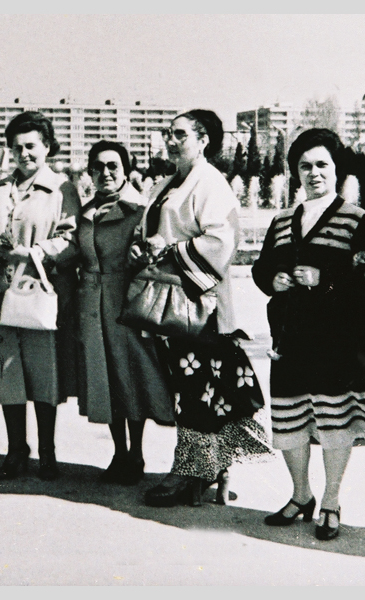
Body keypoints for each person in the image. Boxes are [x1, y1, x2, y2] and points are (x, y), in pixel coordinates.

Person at [252, 128, 365, 541]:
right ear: (295, 172)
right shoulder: (281, 220)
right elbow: (261, 267)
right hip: (289, 339)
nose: (314, 173)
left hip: (337, 341)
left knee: (333, 421)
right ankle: (300, 495)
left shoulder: (356, 219)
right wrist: (272, 280)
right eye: (305, 166)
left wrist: (324, 277)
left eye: (322, 165)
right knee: (290, 418)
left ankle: (330, 500)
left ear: (336, 169)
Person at [135, 110, 273, 508]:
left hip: (200, 305)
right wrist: (142, 248)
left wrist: (169, 248)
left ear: (203, 140)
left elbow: (222, 241)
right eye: (168, 133)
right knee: (192, 389)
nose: (171, 140)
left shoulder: (211, 183)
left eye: (180, 134)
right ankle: (210, 468)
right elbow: (153, 232)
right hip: (174, 302)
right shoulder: (166, 183)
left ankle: (190, 471)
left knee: (198, 390)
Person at [0, 111, 81, 481]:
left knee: (44, 373)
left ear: (47, 147)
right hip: (2, 293)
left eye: (31, 146)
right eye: (16, 147)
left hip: (41, 293)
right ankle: (15, 450)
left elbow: (71, 240)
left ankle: (47, 451)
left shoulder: (62, 189)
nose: (23, 154)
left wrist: (35, 252)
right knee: (8, 373)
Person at [76, 140, 173, 485]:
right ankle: (118, 453)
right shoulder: (85, 212)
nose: (105, 173)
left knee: (129, 377)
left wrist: (142, 254)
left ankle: (136, 454)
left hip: (126, 303)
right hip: (92, 305)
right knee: (104, 379)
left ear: (126, 170)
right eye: (98, 167)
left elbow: (158, 251)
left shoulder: (141, 209)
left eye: (113, 166)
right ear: (90, 172)